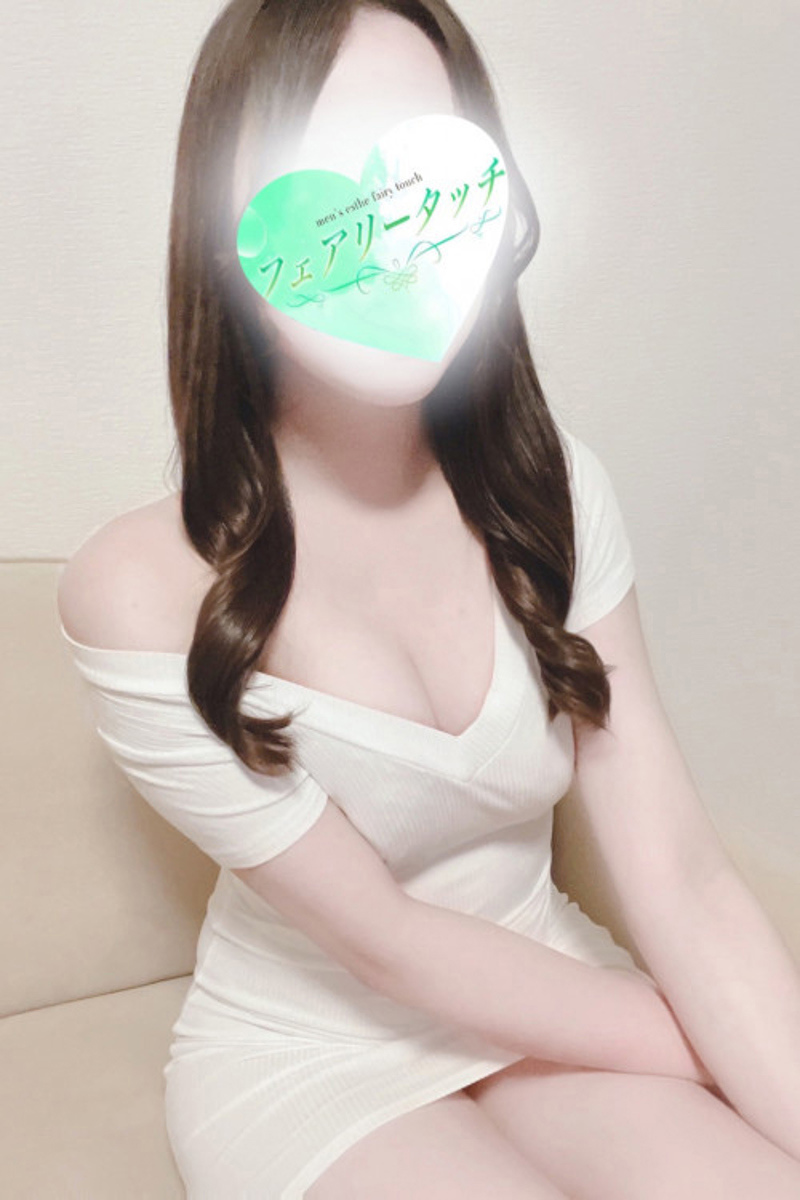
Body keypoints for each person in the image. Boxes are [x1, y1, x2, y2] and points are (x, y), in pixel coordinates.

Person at [58, 1, 800, 1197]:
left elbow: (679, 874)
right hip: (312, 1056)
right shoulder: (141, 590)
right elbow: (388, 945)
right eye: (323, 161)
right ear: (222, 230)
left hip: (551, 984)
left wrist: (753, 1058)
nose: (387, 222)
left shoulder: (551, 494)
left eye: (425, 154)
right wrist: (703, 1042)